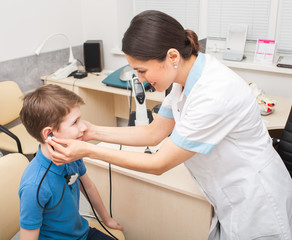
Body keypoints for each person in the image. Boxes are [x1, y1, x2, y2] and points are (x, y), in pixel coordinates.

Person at [47, 10, 292, 239]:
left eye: (142, 71)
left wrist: (88, 151)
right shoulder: (183, 79)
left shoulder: (214, 93)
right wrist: (92, 131)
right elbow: (154, 133)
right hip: (230, 194)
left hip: (258, 200)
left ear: (172, 56)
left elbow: (158, 163)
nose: (140, 80)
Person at [19, 84, 123, 240]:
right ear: (49, 134)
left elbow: (88, 186)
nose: (83, 127)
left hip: (82, 233)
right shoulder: (34, 186)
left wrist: (106, 219)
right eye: (75, 122)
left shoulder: (72, 156)